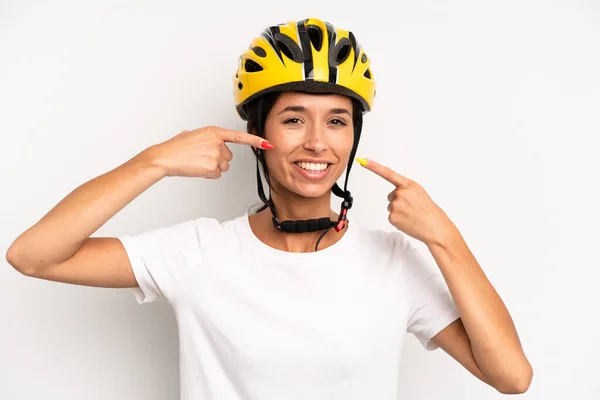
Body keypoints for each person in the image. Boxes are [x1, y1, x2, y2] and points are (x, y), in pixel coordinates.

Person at [6, 17, 532, 399]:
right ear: (258, 134)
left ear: (352, 137)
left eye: (337, 121)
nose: (318, 143)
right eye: (295, 119)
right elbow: (34, 256)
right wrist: (155, 161)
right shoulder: (198, 252)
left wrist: (444, 238)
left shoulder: (393, 260)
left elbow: (511, 377)